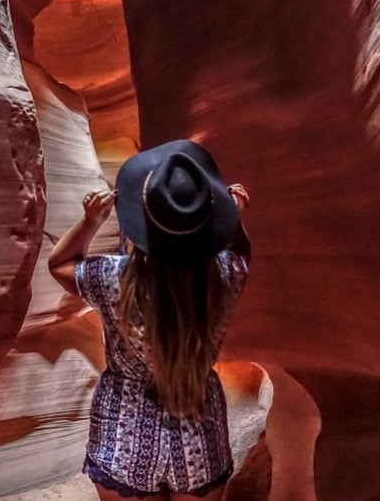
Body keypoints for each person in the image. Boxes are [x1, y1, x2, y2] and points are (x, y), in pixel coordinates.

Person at [48, 139, 251, 500]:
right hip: (198, 432)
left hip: (124, 432)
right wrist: (232, 217)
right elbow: (241, 251)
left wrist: (91, 221)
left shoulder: (113, 279)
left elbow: (60, 264)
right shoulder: (225, 277)